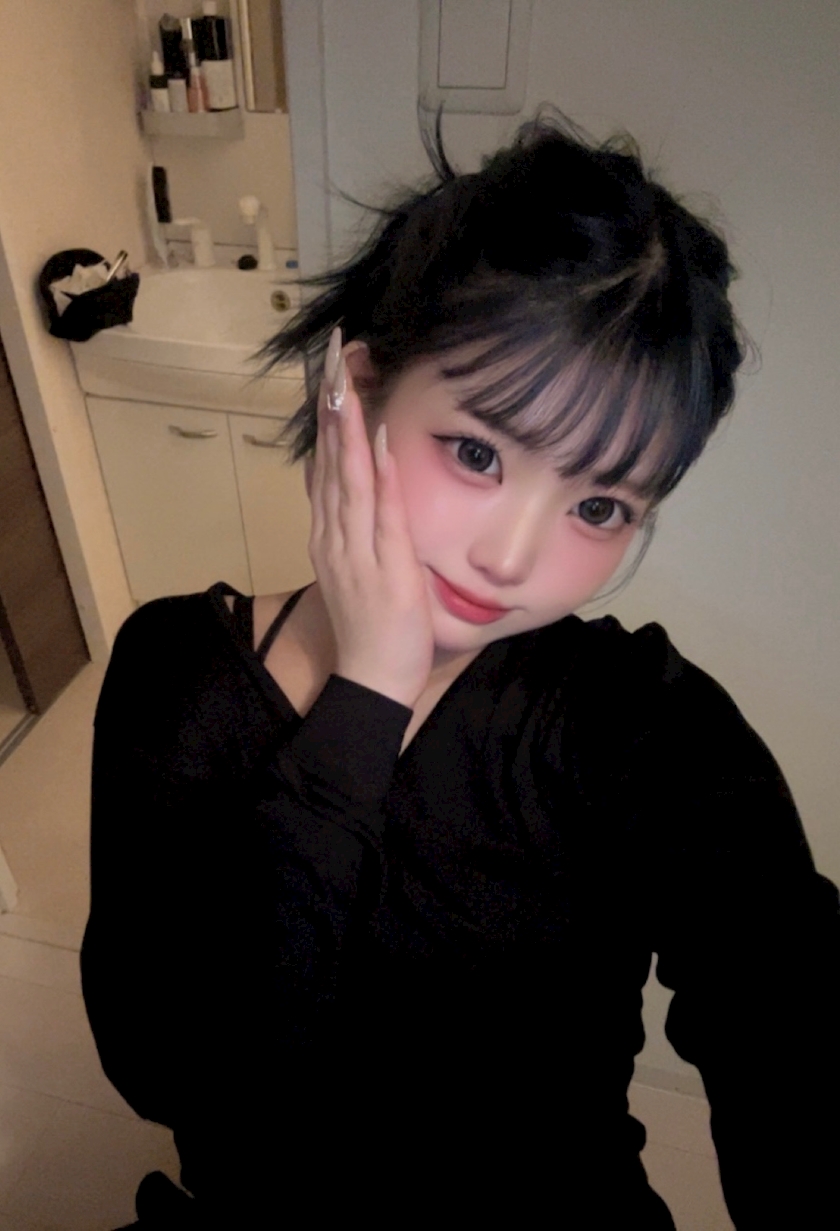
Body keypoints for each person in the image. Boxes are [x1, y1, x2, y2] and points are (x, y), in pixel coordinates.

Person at [82, 111, 840, 1228]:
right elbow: (174, 1074)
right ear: (358, 392)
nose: (513, 559)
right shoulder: (177, 675)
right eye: (478, 452)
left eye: (599, 506)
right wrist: (366, 698)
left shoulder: (637, 726)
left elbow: (786, 1008)